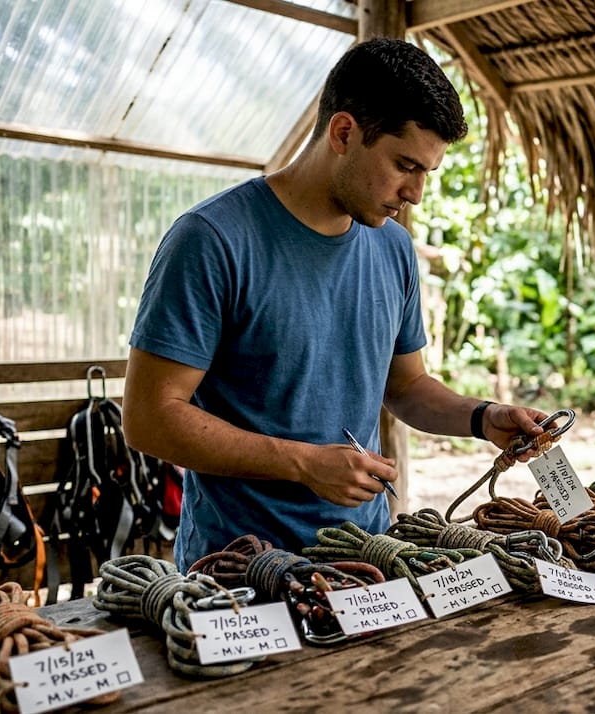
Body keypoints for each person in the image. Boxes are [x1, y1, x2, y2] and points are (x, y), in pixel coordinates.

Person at [122, 38, 549, 572]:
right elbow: (148, 418)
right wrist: (304, 464)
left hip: (364, 558)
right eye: (404, 165)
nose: (415, 193)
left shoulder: (393, 247)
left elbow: (406, 388)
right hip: (238, 569)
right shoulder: (212, 239)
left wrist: (483, 418)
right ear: (344, 132)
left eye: (426, 174)